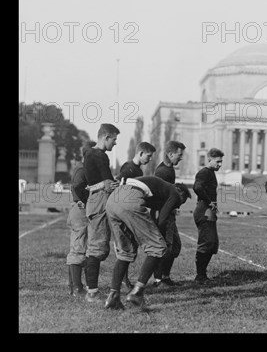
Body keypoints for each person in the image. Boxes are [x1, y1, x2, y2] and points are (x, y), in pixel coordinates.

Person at [103, 176, 192, 309]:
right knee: (158, 247)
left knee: (125, 252)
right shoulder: (174, 192)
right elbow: (162, 219)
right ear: (180, 191)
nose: (178, 205)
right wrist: (160, 238)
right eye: (180, 202)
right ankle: (137, 293)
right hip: (131, 199)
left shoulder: (161, 188)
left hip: (113, 200)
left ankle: (113, 296)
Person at [83, 123, 120, 303]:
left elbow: (98, 182)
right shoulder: (99, 155)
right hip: (99, 201)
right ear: (106, 137)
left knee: (98, 247)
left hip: (95, 200)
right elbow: (108, 182)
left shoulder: (90, 154)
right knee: (97, 247)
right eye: (114, 139)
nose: (115, 143)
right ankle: (92, 293)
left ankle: (92, 289)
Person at [115, 141, 156, 290]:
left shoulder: (138, 171)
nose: (150, 159)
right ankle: (122, 281)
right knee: (125, 249)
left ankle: (123, 280)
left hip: (130, 213)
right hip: (125, 213)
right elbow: (120, 186)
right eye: (149, 156)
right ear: (140, 153)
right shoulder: (129, 168)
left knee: (130, 247)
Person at [152, 140, 186, 287]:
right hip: (163, 215)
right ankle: (158, 280)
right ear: (170, 154)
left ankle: (165, 277)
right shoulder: (162, 172)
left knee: (175, 247)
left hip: (169, 214)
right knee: (166, 247)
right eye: (179, 155)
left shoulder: (170, 169)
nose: (181, 158)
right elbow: (157, 196)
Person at [66, 140, 96, 296]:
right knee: (78, 249)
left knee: (82, 249)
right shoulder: (83, 170)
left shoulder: (87, 170)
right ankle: (77, 288)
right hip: (79, 210)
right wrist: (84, 200)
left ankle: (75, 285)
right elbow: (78, 186)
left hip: (81, 211)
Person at [192, 148, 224, 285]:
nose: (220, 164)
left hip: (208, 211)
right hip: (203, 211)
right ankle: (200, 276)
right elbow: (197, 187)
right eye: (218, 161)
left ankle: (202, 274)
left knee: (212, 244)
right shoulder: (204, 172)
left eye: (221, 161)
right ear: (209, 159)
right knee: (206, 242)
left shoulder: (210, 172)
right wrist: (209, 201)